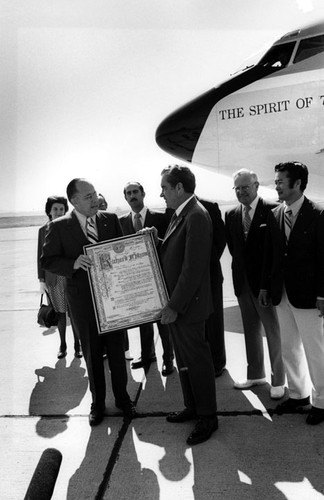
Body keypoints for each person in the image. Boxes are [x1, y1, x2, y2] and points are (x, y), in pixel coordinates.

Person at [40, 178, 137, 426]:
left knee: (116, 352)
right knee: (92, 354)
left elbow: (124, 251)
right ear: (73, 201)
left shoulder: (110, 220)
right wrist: (72, 264)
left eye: (95, 195)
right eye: (87, 197)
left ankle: (123, 399)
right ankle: (97, 404)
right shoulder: (59, 227)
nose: (94, 200)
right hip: (82, 302)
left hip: (112, 299)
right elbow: (48, 261)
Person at [259, 161, 324, 425]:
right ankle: (297, 395)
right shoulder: (275, 215)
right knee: (289, 347)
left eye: (280, 182)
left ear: (297, 184)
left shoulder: (318, 214)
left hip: (309, 295)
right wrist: (265, 286)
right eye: (275, 182)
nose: (276, 186)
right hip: (281, 293)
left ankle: (321, 402)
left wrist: (323, 294)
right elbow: (270, 255)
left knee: (315, 349)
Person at [158, 164, 218, 446]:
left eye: (165, 188)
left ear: (179, 188)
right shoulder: (181, 214)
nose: (162, 194)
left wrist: (174, 306)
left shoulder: (196, 215)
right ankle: (192, 406)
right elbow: (174, 251)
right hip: (179, 306)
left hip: (187, 307)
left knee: (197, 361)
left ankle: (208, 417)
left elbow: (192, 269)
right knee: (184, 362)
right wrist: (153, 239)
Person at [225, 169, 285, 399]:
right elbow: (235, 250)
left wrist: (266, 285)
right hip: (243, 283)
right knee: (250, 330)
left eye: (245, 187)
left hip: (264, 285)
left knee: (273, 332)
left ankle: (278, 379)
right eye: (237, 188)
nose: (241, 192)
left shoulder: (273, 210)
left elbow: (274, 253)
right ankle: (256, 374)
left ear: (257, 185)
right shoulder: (231, 215)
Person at [119, 181, 174, 376]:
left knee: (163, 320)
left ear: (143, 194)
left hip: (159, 276)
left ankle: (169, 359)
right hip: (136, 280)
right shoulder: (122, 222)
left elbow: (169, 245)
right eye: (129, 193)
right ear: (125, 197)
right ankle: (147, 354)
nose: (132, 195)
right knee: (142, 319)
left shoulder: (160, 217)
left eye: (136, 192)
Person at [37, 196, 82, 359]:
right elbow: (39, 258)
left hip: (71, 277)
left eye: (61, 209)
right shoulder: (43, 230)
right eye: (55, 209)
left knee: (74, 313)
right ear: (49, 211)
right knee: (60, 314)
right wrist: (41, 280)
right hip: (53, 280)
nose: (58, 212)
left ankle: (78, 345)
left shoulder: (70, 228)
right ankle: (63, 344)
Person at [197, 197, 227, 377]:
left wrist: (206, 264)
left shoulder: (209, 206)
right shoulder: (171, 211)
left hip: (210, 274)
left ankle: (218, 363)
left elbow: (220, 239)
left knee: (214, 322)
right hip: (189, 277)